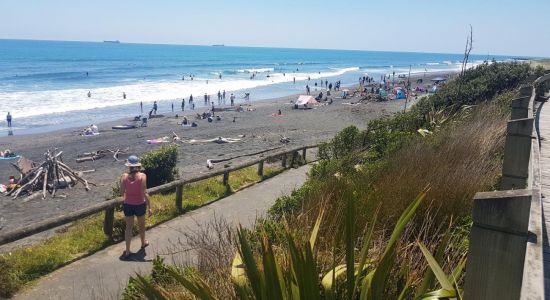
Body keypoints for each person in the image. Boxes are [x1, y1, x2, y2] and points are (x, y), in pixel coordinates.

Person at [120, 155, 151, 259]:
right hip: (140, 204)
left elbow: (121, 192)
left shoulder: (124, 176)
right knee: (141, 225)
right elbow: (144, 192)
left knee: (128, 228)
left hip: (128, 204)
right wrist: (149, 206)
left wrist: (128, 197)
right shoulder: (142, 176)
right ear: (138, 165)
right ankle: (143, 243)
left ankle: (128, 250)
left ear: (129, 166)